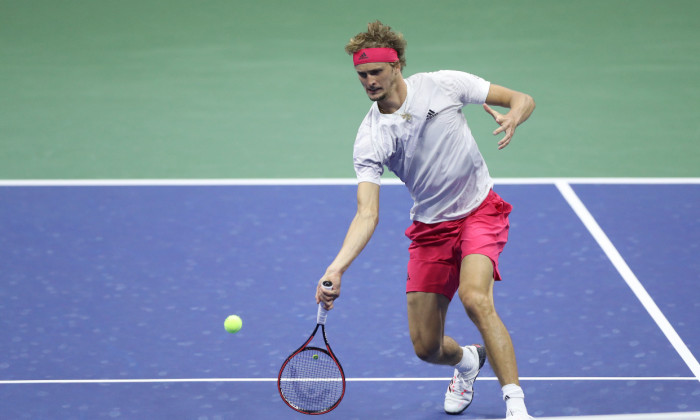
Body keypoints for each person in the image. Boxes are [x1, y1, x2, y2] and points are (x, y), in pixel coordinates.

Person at [315, 21, 536, 419]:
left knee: (475, 298)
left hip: (478, 212)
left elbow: (521, 98)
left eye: (375, 72)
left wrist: (515, 116)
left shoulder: (443, 85)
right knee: (426, 347)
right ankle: (467, 363)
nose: (368, 81)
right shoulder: (371, 136)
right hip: (431, 230)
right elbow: (367, 212)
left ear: (396, 65)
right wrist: (337, 266)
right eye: (361, 75)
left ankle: (515, 406)